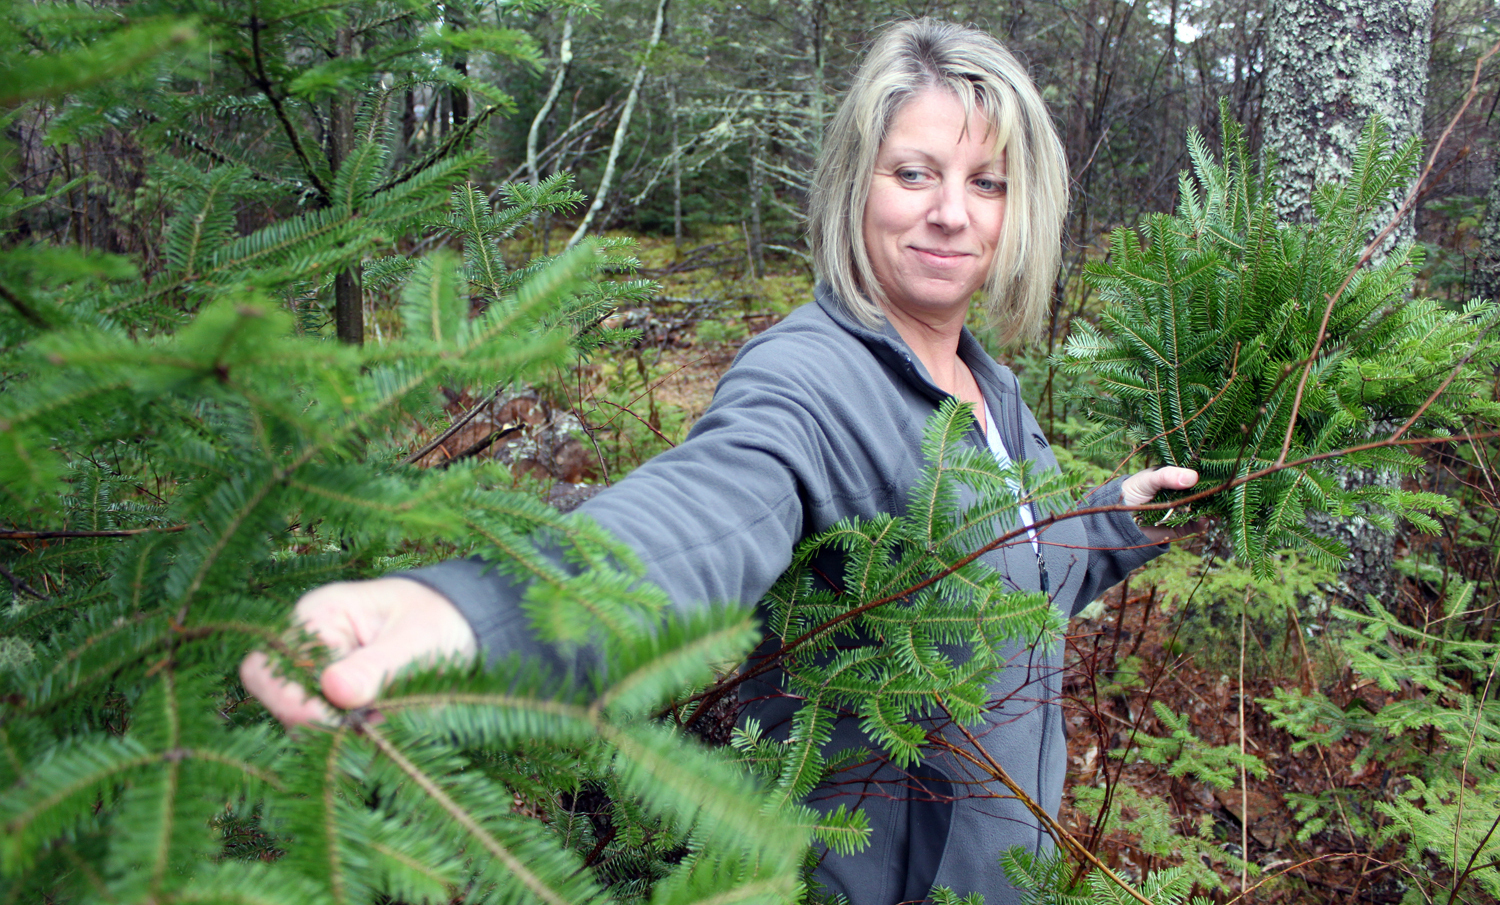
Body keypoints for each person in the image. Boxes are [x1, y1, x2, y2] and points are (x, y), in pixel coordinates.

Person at [242, 17, 1198, 905]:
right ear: (853, 184)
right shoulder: (808, 375)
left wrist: (1116, 518)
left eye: (985, 183)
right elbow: (711, 513)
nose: (952, 213)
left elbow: (1009, 585)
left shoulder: (994, 391)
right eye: (914, 174)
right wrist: (480, 612)